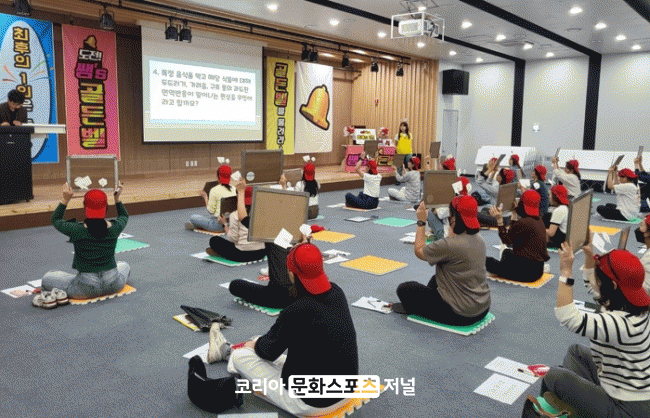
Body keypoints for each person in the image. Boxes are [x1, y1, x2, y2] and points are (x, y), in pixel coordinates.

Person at [224, 243, 358, 417]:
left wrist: (253, 345)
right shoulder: (337, 292)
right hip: (347, 391)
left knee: (240, 356)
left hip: (311, 403)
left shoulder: (296, 310)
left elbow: (266, 352)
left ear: (291, 273)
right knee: (278, 343)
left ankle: (230, 353)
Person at [532, 237, 650, 418]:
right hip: (623, 389)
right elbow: (595, 288)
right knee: (576, 352)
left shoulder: (622, 323)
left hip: (626, 410)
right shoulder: (630, 302)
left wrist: (565, 272)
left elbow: (569, 317)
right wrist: (589, 255)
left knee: (553, 376)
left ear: (612, 286)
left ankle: (571, 407)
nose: (596, 280)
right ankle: (577, 404)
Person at [395, 197, 490, 325]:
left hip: (461, 314)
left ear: (454, 218)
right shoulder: (479, 239)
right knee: (436, 279)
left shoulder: (449, 245)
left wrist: (421, 222)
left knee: (405, 289)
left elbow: (419, 250)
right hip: (483, 307)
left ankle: (423, 307)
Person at [39, 182, 130, 300]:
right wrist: (117, 198)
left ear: (85, 207)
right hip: (113, 284)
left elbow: (56, 219)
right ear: (106, 208)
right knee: (125, 265)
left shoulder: (76, 229)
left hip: (85, 288)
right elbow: (124, 216)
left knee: (48, 277)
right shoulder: (115, 227)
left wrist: (66, 199)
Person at [486, 190, 550, 282]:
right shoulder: (539, 220)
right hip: (538, 269)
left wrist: (499, 220)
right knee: (506, 252)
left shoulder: (524, 222)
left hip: (527, 273)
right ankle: (505, 267)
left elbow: (506, 240)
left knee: (488, 261)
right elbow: (514, 233)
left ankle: (505, 268)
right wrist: (514, 214)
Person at [207, 179, 265, 262]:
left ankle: (220, 252)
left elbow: (233, 238)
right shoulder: (262, 211)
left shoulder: (235, 214)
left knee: (214, 240)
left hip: (242, 254)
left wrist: (225, 224)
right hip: (261, 253)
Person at [186, 164, 237, 232]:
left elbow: (210, 211)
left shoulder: (214, 190)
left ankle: (198, 225)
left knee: (193, 217)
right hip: (233, 224)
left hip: (218, 225)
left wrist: (205, 197)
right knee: (212, 218)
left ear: (218, 177)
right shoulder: (234, 189)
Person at [475, 158, 516, 227]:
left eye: (498, 174)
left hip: (499, 219)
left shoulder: (497, 190)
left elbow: (479, 182)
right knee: (485, 209)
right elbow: (488, 184)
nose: (497, 175)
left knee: (475, 214)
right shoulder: (508, 186)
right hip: (508, 217)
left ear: (501, 178)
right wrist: (494, 172)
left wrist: (489, 170)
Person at [635, 214, 650, 295]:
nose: (638, 229)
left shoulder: (648, 258)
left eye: (641, 225)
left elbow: (644, 290)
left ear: (647, 233)